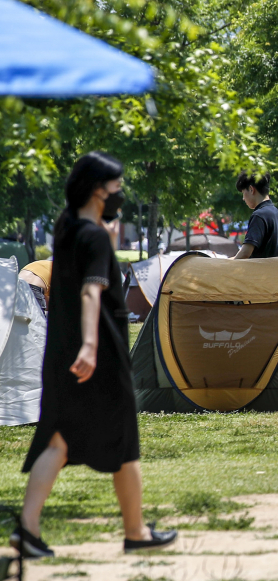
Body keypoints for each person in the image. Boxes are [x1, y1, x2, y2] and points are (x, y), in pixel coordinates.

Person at [14, 152, 177, 558]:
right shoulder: (94, 236)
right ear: (97, 189)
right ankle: (136, 532)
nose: (120, 193)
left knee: (58, 437)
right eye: (116, 186)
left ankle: (28, 529)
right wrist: (91, 345)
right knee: (125, 439)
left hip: (61, 350)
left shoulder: (66, 228)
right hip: (98, 353)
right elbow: (91, 291)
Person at [233, 172, 278, 259]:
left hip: (262, 272)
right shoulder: (277, 214)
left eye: (243, 193)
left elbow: (245, 253)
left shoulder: (259, 215)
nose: (243, 198)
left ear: (251, 189)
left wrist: (227, 265)